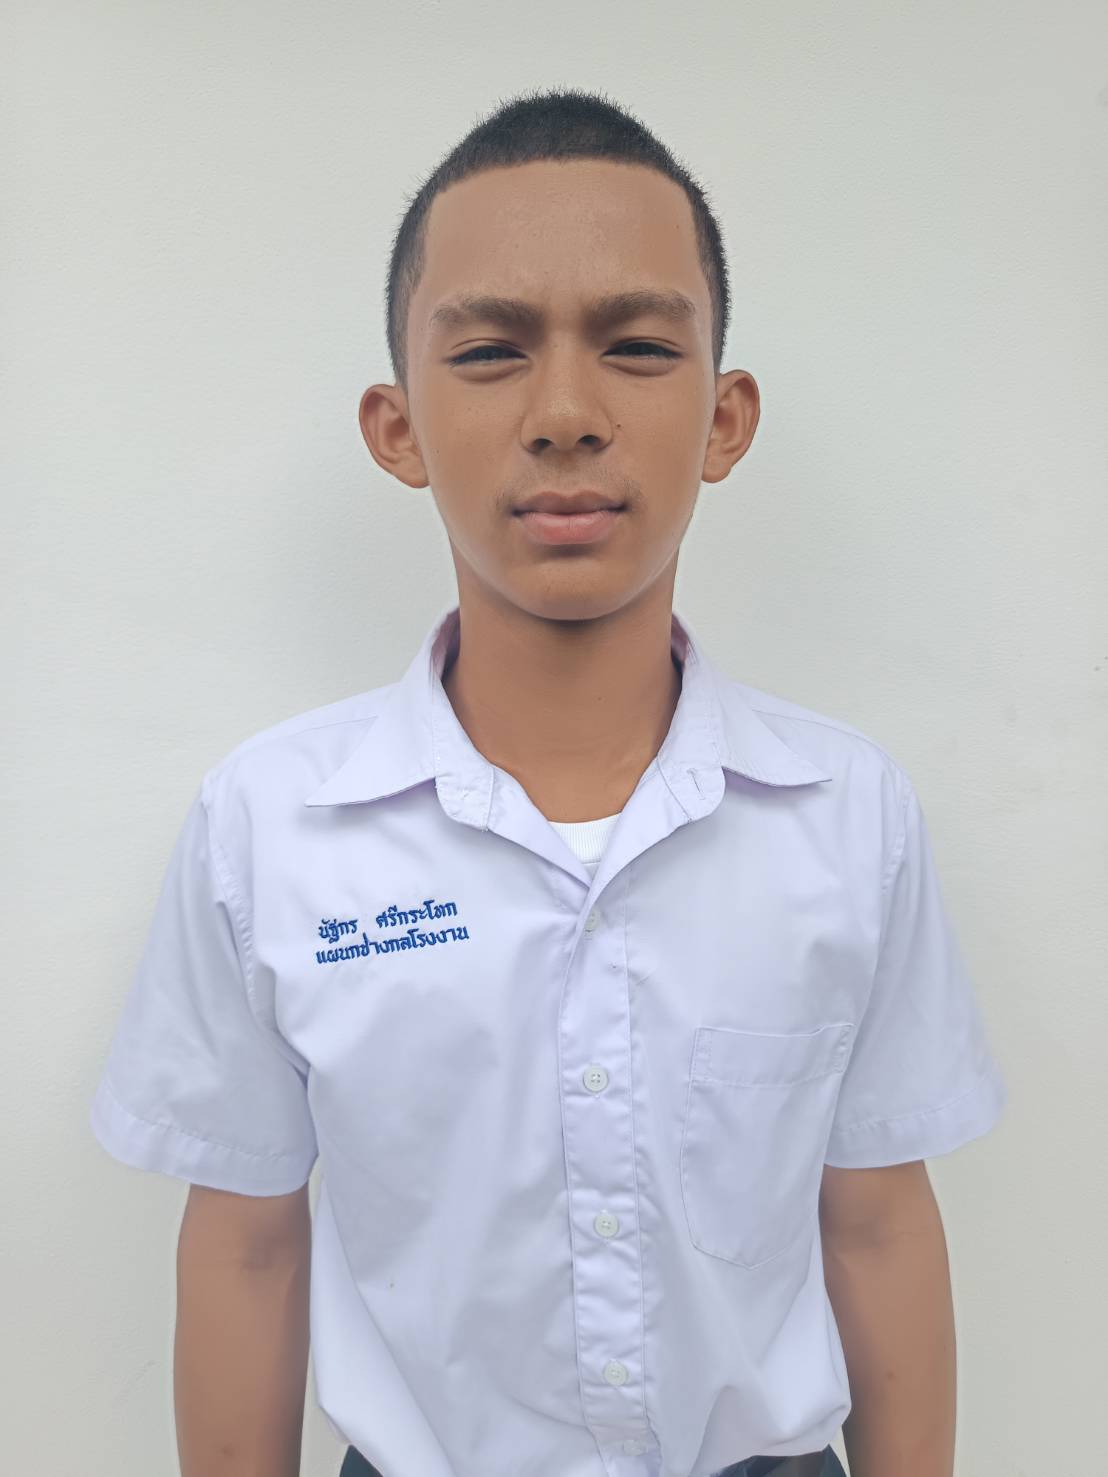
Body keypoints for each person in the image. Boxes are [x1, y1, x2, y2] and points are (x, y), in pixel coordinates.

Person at [89, 87, 1006, 1477]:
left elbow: (876, 1222)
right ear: (397, 427)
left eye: (637, 348)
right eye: (489, 353)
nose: (566, 414)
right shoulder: (268, 831)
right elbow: (247, 1246)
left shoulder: (846, 815)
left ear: (724, 418)